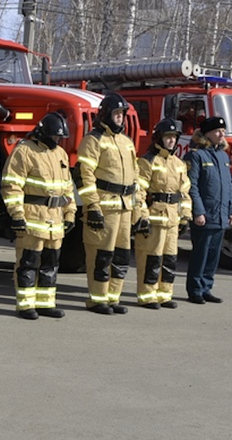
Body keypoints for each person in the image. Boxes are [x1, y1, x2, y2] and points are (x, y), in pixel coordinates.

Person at [0, 112, 75, 320]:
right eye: (54, 137)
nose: (57, 141)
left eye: (60, 138)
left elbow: (68, 188)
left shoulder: (60, 153)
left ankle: (45, 304)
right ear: (42, 134)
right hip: (33, 219)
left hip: (55, 221)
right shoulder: (24, 151)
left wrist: (70, 214)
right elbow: (11, 185)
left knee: (51, 264)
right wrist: (16, 215)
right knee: (28, 263)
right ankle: (25, 305)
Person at [77, 93, 146, 315]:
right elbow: (84, 176)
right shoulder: (93, 140)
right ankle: (98, 300)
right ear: (106, 114)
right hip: (105, 206)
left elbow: (135, 177)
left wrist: (139, 210)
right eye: (116, 113)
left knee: (121, 255)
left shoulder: (126, 142)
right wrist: (93, 206)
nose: (120, 118)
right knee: (101, 255)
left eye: (122, 114)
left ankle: (113, 298)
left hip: (125, 207)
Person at [133, 119, 191, 309]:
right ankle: (147, 295)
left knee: (169, 257)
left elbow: (184, 192)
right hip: (154, 217)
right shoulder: (147, 161)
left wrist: (185, 216)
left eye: (174, 137)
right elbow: (139, 191)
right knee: (151, 257)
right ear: (159, 138)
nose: (172, 141)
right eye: (168, 137)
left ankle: (164, 294)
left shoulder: (179, 163)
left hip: (173, 218)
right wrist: (142, 216)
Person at [184, 116, 232, 305]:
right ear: (207, 133)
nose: (221, 134)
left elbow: (228, 186)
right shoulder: (196, 155)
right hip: (205, 214)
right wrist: (198, 211)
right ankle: (195, 289)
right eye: (217, 131)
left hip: (220, 214)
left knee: (213, 255)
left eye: (223, 131)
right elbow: (192, 186)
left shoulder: (223, 156)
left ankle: (207, 287)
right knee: (201, 253)